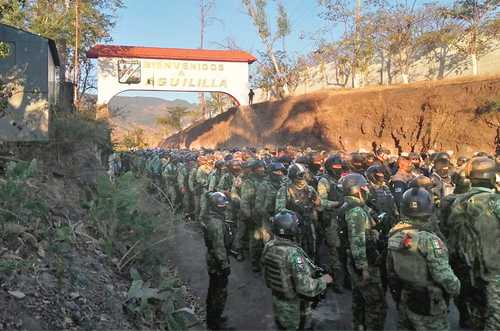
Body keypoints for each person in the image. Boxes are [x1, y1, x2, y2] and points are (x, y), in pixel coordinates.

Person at [387, 187, 460, 331]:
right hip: (429, 303)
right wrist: (456, 289)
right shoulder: (429, 240)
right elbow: (443, 275)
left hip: (406, 297)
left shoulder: (395, 233)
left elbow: (391, 271)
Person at [447, 156, 500, 330]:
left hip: (466, 269)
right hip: (494, 271)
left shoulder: (457, 202)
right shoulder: (496, 202)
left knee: (475, 315)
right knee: (495, 316)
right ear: (493, 178)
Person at [261, 210, 333, 330]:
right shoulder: (293, 253)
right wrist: (324, 280)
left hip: (278, 302)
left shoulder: (269, 246)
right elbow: (305, 287)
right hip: (293, 308)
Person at [339, 173, 387, 331]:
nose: (367, 189)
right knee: (375, 304)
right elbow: (357, 240)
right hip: (365, 261)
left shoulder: (352, 206)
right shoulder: (356, 212)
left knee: (359, 298)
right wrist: (363, 268)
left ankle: (359, 325)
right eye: (364, 187)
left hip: (356, 259)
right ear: (357, 190)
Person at [203, 192, 232, 330]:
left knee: (214, 290)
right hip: (217, 262)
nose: (224, 207)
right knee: (219, 293)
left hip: (214, 259)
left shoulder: (215, 218)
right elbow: (218, 246)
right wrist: (224, 265)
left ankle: (213, 319)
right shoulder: (215, 223)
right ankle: (214, 323)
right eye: (222, 205)